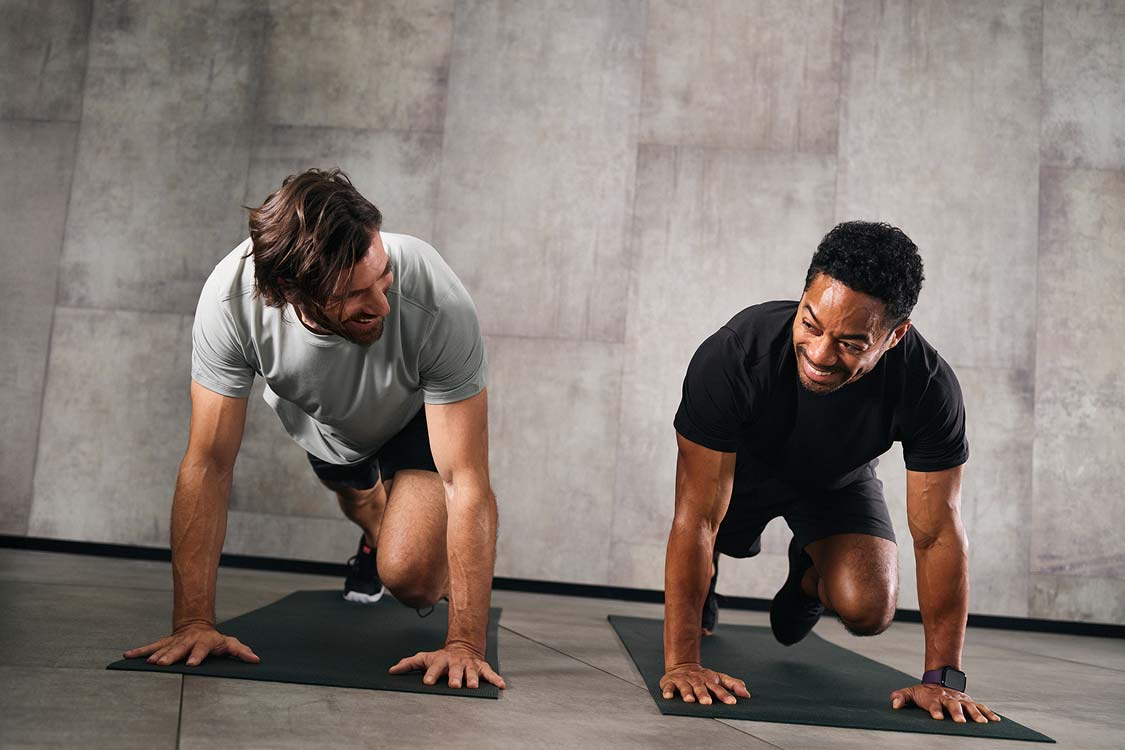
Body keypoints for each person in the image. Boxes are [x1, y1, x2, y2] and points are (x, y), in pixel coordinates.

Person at [123, 168, 504, 691]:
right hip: (322, 423)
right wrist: (193, 623)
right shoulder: (231, 301)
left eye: (383, 277)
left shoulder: (436, 297)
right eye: (355, 294)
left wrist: (464, 643)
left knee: (412, 577)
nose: (383, 305)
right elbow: (208, 463)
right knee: (359, 500)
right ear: (288, 291)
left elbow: (468, 481)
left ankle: (392, 546)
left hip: (415, 413)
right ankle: (375, 533)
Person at [660, 221, 999, 723]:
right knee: (711, 539)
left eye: (852, 343)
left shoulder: (927, 386)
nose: (819, 355)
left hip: (836, 482)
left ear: (895, 335)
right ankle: (707, 587)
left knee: (871, 609)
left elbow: (938, 534)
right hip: (738, 475)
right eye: (811, 324)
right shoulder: (734, 354)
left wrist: (942, 679)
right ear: (802, 297)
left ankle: (806, 576)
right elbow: (695, 518)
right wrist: (684, 662)